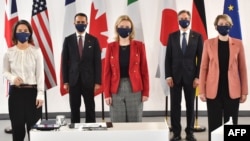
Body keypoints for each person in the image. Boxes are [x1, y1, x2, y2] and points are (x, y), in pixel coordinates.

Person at [199, 14, 248, 141]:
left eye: (226, 25)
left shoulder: (238, 44)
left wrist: (244, 92)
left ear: (231, 26)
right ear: (216, 26)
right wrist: (202, 91)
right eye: (221, 24)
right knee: (214, 124)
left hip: (233, 91)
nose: (224, 27)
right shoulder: (208, 44)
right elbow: (203, 68)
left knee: (231, 125)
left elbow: (242, 69)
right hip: (213, 91)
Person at [3, 20, 44, 141]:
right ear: (15, 33)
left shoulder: (36, 51)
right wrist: (13, 78)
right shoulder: (9, 52)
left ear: (30, 33)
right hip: (16, 94)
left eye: (25, 31)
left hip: (33, 94)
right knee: (17, 130)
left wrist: (40, 94)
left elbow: (40, 74)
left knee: (34, 131)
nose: (22, 33)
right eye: (19, 31)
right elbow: (4, 71)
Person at [165, 10, 203, 141]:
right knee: (175, 106)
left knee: (190, 106)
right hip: (174, 78)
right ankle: (176, 133)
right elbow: (168, 58)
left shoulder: (197, 36)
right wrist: (168, 76)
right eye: (181, 18)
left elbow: (201, 59)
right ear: (177, 20)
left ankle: (190, 133)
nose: (184, 20)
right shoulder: (172, 36)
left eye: (186, 18)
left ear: (190, 19)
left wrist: (198, 77)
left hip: (191, 77)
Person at [104, 15, 149, 122]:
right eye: (122, 26)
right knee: (117, 123)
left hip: (135, 89)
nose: (124, 29)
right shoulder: (110, 47)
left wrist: (146, 92)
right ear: (117, 27)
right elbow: (107, 73)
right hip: (116, 89)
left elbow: (144, 71)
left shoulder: (139, 46)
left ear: (131, 29)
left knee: (135, 122)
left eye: (127, 27)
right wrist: (107, 94)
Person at [62, 13, 101, 123]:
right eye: (78, 22)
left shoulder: (93, 40)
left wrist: (98, 81)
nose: (80, 24)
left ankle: (90, 132)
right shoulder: (68, 40)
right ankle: (75, 133)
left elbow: (97, 62)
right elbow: (64, 62)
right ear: (74, 23)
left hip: (89, 80)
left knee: (90, 108)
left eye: (83, 22)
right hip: (73, 81)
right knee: (74, 108)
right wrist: (65, 81)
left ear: (87, 23)